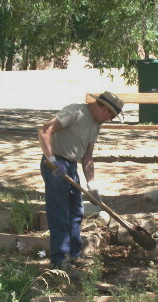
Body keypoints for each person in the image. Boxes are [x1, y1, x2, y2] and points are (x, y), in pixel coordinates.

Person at [38, 91, 124, 268]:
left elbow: (87, 158)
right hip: (55, 164)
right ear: (104, 108)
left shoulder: (96, 124)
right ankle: (59, 261)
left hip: (71, 166)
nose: (109, 119)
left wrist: (92, 185)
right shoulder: (75, 112)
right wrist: (53, 161)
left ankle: (74, 255)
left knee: (76, 212)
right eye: (111, 115)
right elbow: (44, 131)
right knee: (60, 213)